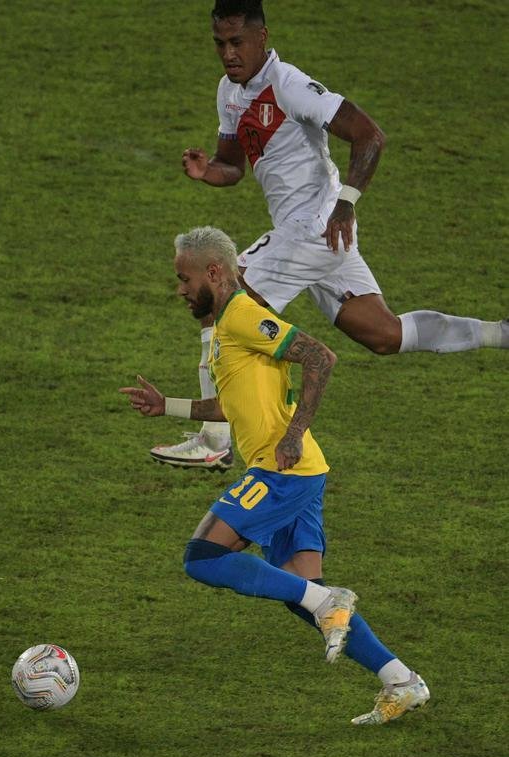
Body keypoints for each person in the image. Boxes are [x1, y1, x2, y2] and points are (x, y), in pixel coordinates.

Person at [150, 0, 507, 470]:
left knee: (218, 295)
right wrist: (207, 172)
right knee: (384, 333)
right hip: (307, 235)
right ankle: (500, 334)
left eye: (237, 42)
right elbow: (233, 166)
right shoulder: (230, 91)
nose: (228, 54)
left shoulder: (291, 86)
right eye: (220, 44)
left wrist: (346, 204)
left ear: (262, 38)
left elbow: (370, 135)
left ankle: (215, 439)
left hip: (316, 228)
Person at [121, 225, 430, 725]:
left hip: (283, 467)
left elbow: (320, 356)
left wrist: (292, 433)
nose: (179, 289)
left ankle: (329, 601)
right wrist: (167, 407)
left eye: (184, 278)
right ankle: (401, 679)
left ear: (214, 273)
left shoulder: (243, 315)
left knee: (203, 557)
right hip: (301, 468)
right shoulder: (227, 325)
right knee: (298, 593)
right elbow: (231, 404)